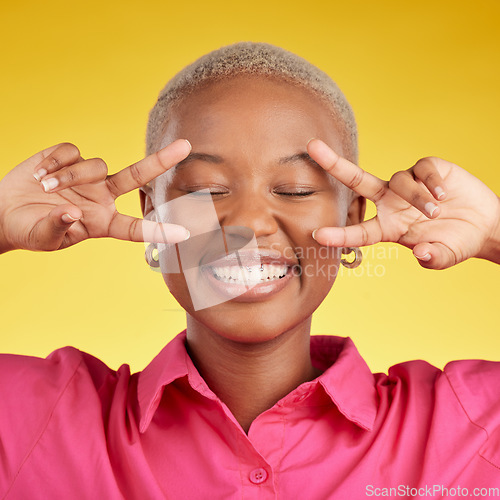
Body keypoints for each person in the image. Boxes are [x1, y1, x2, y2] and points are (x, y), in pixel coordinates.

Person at [0, 42, 499, 499]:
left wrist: (493, 231)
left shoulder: (464, 426)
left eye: (297, 189)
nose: (247, 223)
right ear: (151, 210)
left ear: (353, 216)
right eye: (208, 187)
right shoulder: (39, 421)